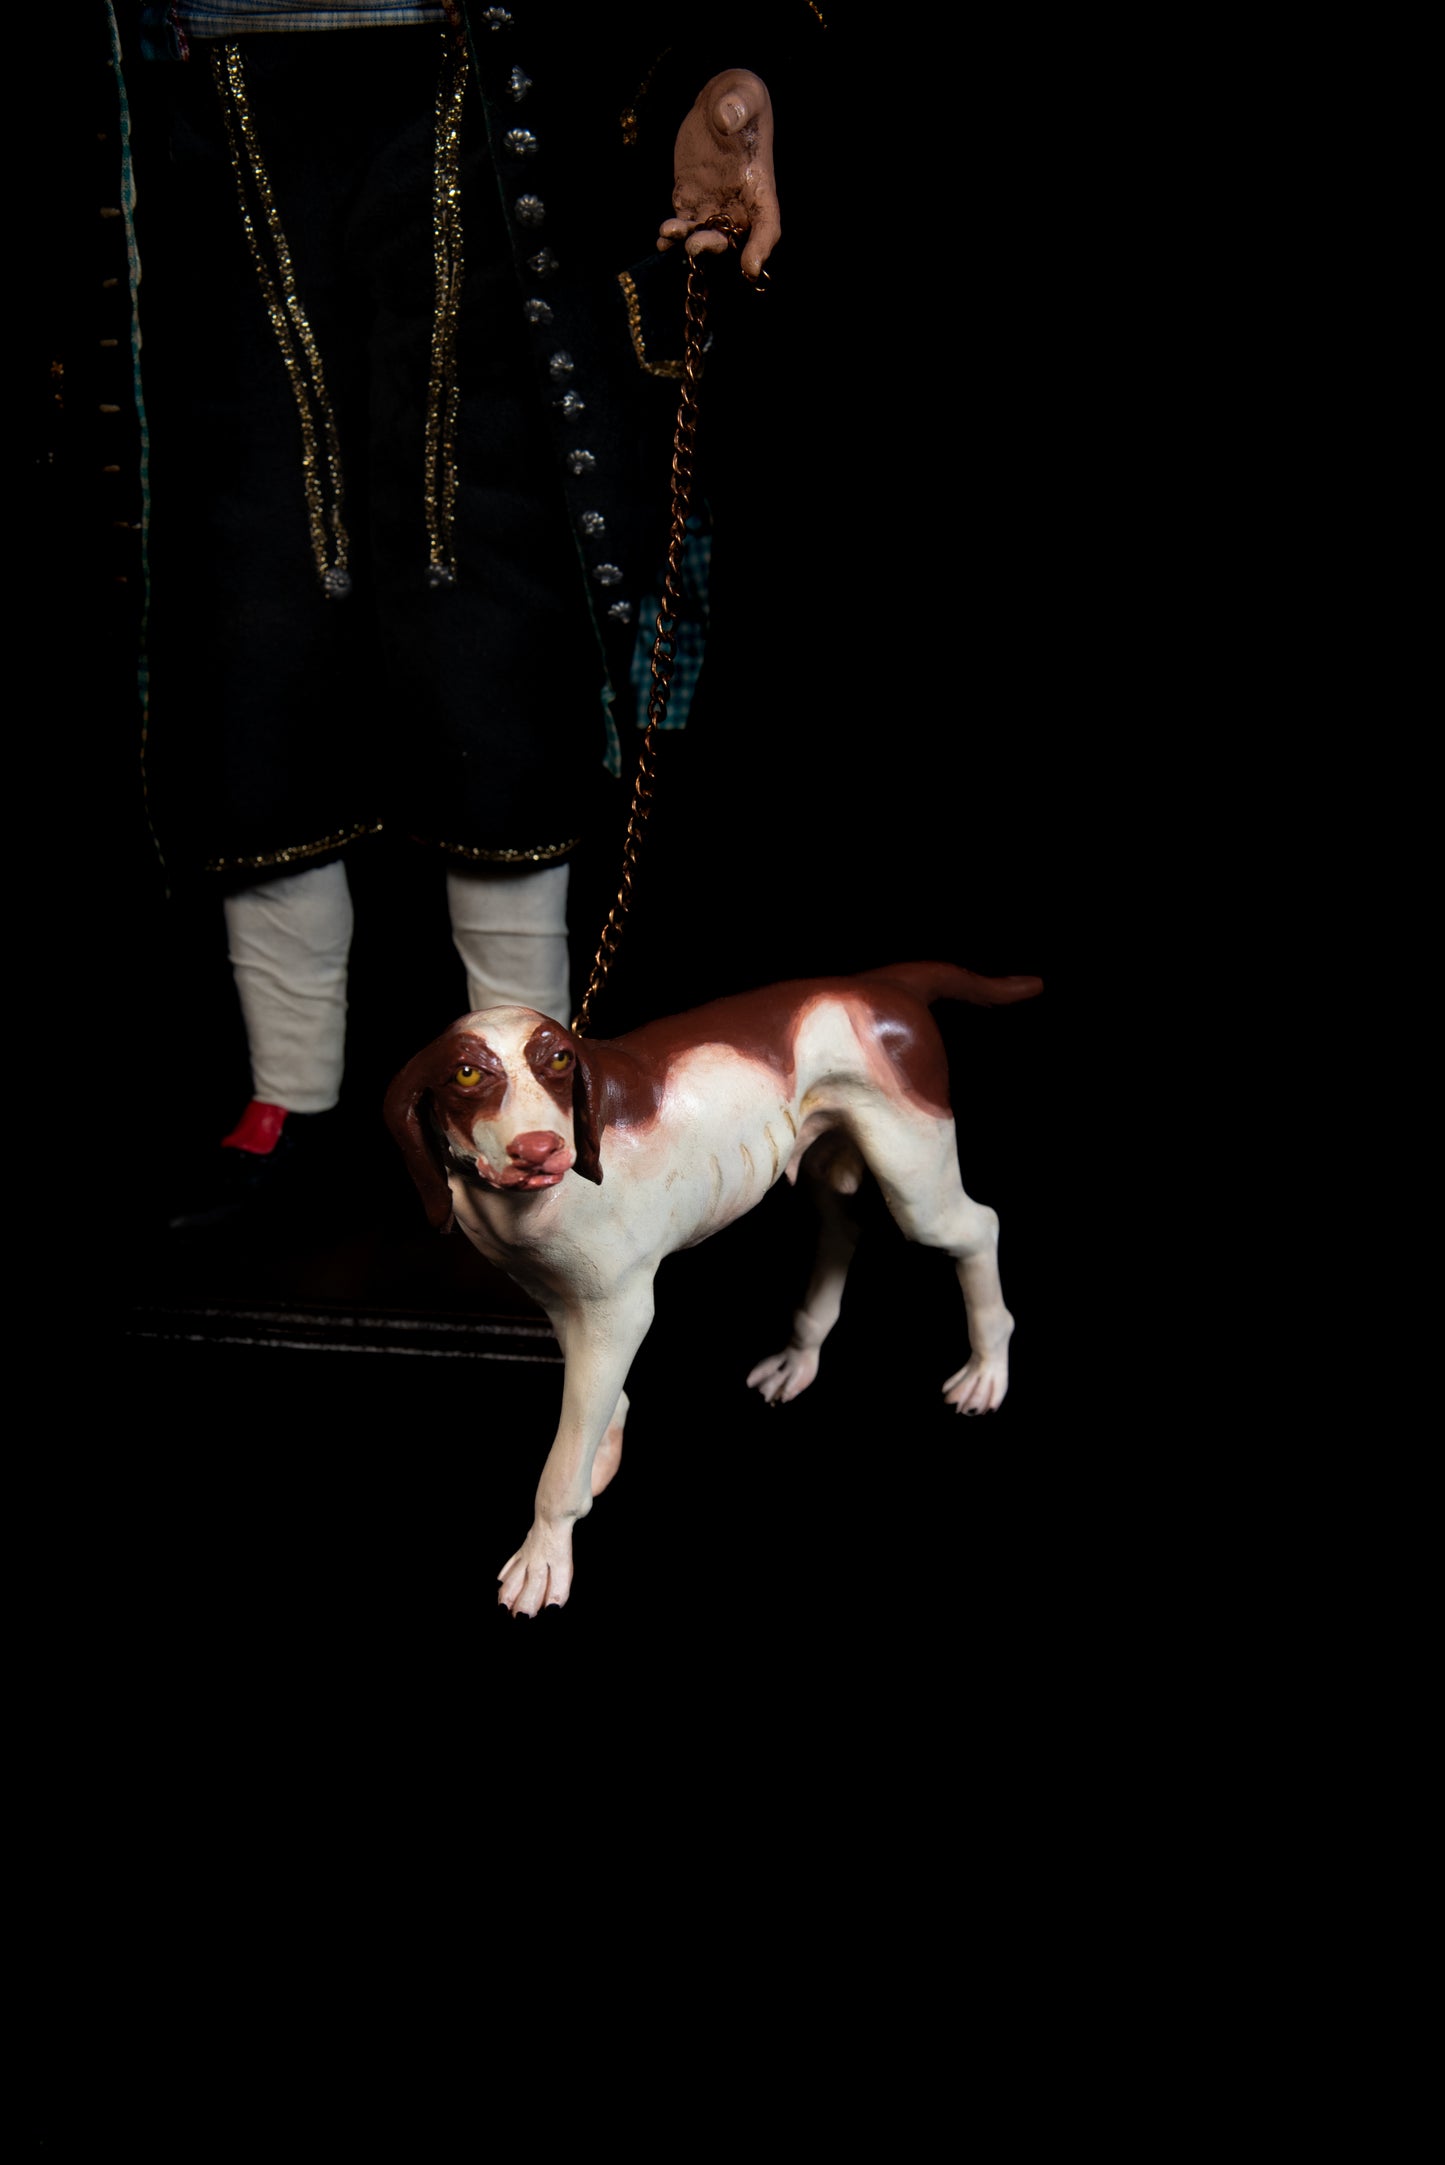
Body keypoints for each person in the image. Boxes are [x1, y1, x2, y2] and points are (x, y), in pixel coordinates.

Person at [117, 1, 792, 1225]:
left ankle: (537, 1100)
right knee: (257, 654)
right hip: (208, 102)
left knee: (488, 649)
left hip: (469, 92)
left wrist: (717, 67)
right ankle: (286, 1096)